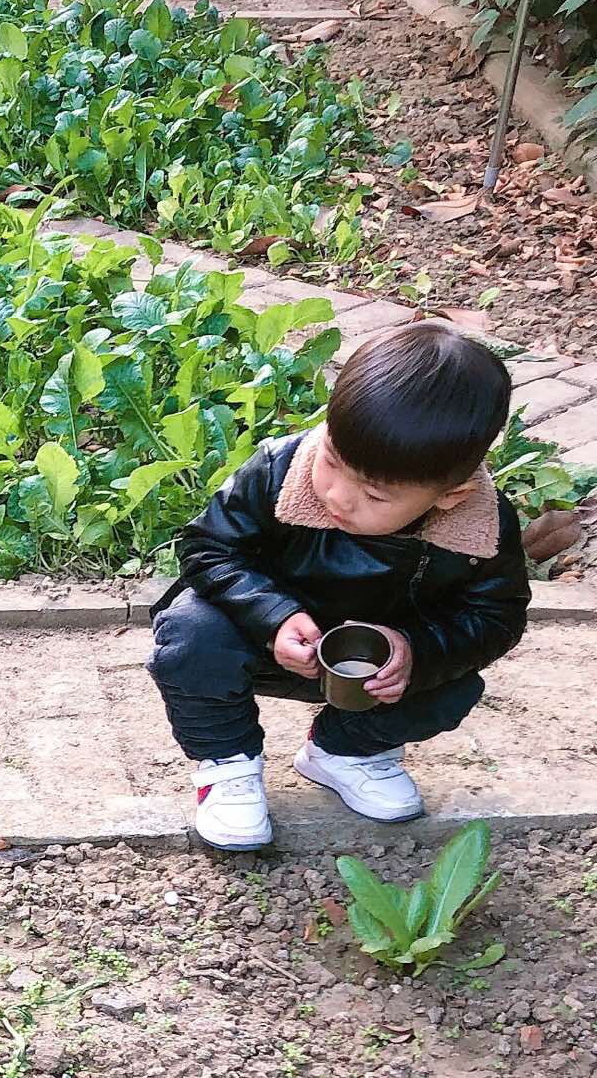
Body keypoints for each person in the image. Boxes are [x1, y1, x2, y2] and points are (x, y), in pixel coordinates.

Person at [147, 321, 530, 851]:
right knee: (190, 635)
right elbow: (207, 547)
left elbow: (497, 617)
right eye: (331, 462)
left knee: (457, 685)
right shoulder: (280, 469)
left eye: (375, 496)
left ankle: (345, 751)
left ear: (450, 495)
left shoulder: (481, 530)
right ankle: (228, 762)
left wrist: (416, 652)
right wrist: (271, 614)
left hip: (371, 675)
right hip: (263, 643)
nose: (337, 496)